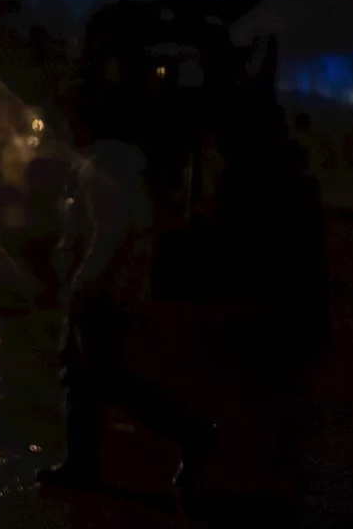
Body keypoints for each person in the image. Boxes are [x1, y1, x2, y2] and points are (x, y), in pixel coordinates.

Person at [39, 89, 217, 498]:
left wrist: (84, 283)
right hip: (105, 288)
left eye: (67, 121)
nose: (62, 130)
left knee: (108, 380)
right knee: (83, 378)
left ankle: (194, 433)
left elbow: (110, 232)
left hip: (103, 291)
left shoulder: (106, 165)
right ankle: (81, 464)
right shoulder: (109, 163)